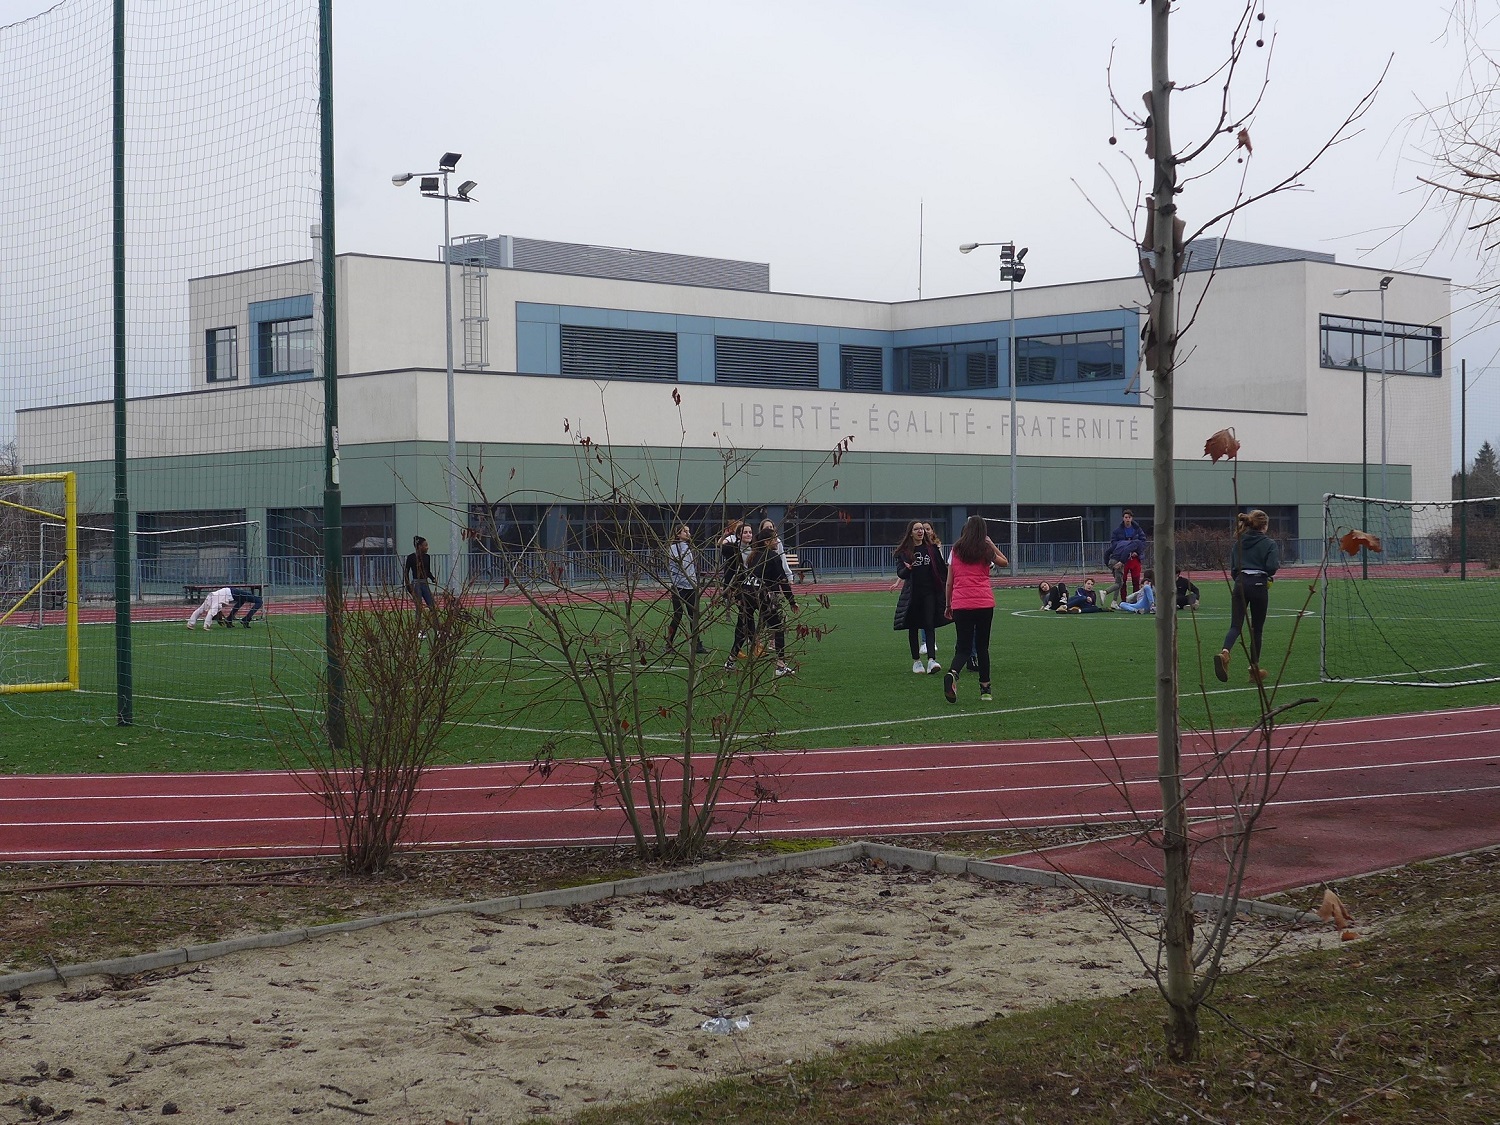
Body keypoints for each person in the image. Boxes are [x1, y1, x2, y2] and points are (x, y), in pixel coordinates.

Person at [942, 515, 1007, 704]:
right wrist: (992, 544)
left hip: (961, 603)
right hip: (984, 603)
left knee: (963, 647)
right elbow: (1004, 562)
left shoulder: (956, 550)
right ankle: (985, 689)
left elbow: (949, 582)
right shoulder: (985, 549)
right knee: (982, 647)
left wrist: (948, 605)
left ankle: (953, 674)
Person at [1215, 509, 1281, 684]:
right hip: (1259, 584)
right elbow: (1272, 566)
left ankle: (1225, 653)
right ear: (1264, 525)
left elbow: (1234, 569)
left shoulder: (1238, 542)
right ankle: (1254, 668)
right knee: (1256, 629)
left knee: (1235, 626)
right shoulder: (1269, 543)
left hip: (1240, 584)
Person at [894, 520, 948, 674]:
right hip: (912, 595)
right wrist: (908, 569)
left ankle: (932, 660)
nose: (920, 531)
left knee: (929, 624)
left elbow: (941, 568)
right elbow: (901, 573)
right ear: (910, 532)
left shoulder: (931, 549)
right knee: (913, 626)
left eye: (922, 529)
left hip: (929, 593)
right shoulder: (904, 552)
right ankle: (916, 661)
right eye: (916, 529)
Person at [744, 525, 799, 677]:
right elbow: (783, 582)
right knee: (778, 627)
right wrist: (792, 601)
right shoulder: (772, 557)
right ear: (767, 542)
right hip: (762, 596)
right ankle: (780, 665)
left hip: (747, 594)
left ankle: (730, 660)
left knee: (744, 626)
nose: (777, 541)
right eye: (774, 539)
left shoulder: (753, 555)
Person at [665, 523, 709, 656]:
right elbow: (680, 564)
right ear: (678, 534)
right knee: (678, 615)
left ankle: (697, 644)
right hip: (679, 586)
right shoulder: (674, 548)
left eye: (689, 531)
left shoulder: (689, 548)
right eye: (685, 532)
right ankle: (669, 643)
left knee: (693, 615)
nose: (688, 534)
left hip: (691, 586)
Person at [720, 522, 757, 669]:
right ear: (738, 535)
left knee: (747, 619)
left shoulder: (755, 549)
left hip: (754, 589)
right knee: (744, 620)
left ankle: (750, 645)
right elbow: (722, 546)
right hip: (739, 589)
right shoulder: (732, 549)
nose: (748, 535)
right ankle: (734, 655)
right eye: (745, 532)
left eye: (750, 532)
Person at [1108, 510, 1148, 596]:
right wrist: (1124, 550)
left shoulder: (1137, 529)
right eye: (1126, 517)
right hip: (1123, 558)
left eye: (1129, 517)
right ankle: (1123, 600)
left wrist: (1137, 552)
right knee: (1123, 580)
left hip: (1135, 558)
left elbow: (1143, 541)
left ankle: (1135, 599)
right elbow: (1114, 543)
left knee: (1136, 580)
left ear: (1132, 518)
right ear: (1123, 518)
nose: (1127, 519)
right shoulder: (1117, 531)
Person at [404, 535, 437, 638]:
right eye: (425, 545)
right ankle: (419, 630)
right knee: (419, 607)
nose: (427, 547)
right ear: (419, 546)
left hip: (424, 583)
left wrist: (432, 578)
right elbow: (406, 572)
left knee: (432, 606)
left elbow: (427, 571)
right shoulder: (411, 557)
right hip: (416, 583)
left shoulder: (427, 557)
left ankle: (438, 629)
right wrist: (408, 586)